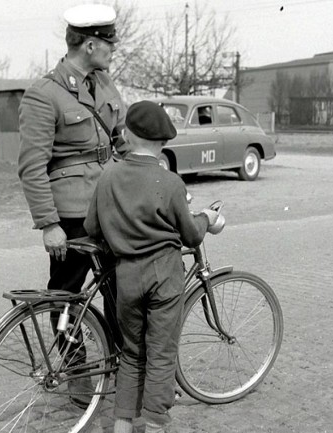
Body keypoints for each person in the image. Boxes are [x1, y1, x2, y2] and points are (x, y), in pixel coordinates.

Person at [84, 101, 220, 433]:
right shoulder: (171, 183)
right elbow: (190, 235)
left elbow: (91, 227)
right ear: (162, 143)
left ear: (127, 135)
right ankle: (157, 427)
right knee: (160, 356)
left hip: (126, 275)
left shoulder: (108, 177)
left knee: (131, 354)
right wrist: (208, 218)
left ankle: (122, 427)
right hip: (164, 276)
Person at [17, 3, 126, 407]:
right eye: (108, 44)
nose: (112, 51)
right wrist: (48, 223)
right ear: (91, 44)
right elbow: (31, 167)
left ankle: (120, 364)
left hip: (110, 204)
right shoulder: (43, 95)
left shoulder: (105, 83)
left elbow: (122, 136)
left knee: (121, 287)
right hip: (71, 213)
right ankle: (78, 370)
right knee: (64, 294)